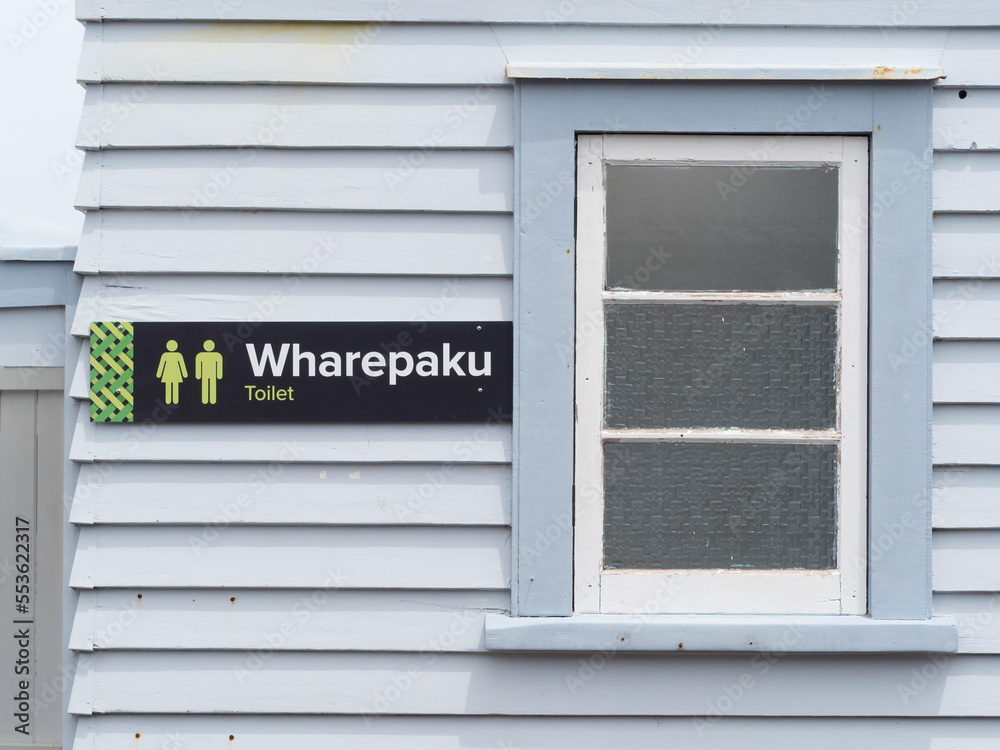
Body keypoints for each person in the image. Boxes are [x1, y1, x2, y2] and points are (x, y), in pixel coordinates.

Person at [156, 340, 187, 405]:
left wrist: (159, 374)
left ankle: (171, 400)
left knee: (171, 386)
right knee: (171, 386)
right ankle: (171, 400)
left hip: (170, 374)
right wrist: (184, 374)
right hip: (174, 374)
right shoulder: (176, 355)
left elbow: (182, 365)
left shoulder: (174, 355)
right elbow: (162, 365)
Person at [196, 340, 224, 405]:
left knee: (212, 386)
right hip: (206, 374)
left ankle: (212, 400)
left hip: (212, 374)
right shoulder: (200, 356)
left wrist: (219, 375)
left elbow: (219, 366)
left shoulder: (217, 355)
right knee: (206, 386)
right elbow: (198, 365)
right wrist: (198, 375)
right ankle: (205, 399)